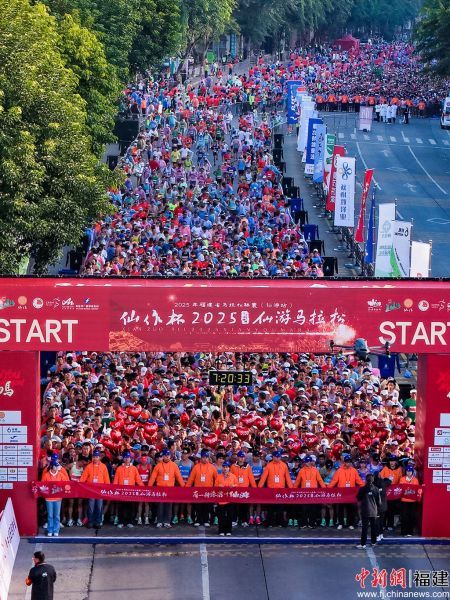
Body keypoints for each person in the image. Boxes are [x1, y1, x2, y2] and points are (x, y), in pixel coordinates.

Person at [148, 448, 184, 528]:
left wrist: (184, 487)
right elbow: (153, 478)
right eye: (165, 455)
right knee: (160, 506)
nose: (167, 457)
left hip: (170, 490)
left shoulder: (174, 466)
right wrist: (149, 488)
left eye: (168, 455)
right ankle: (160, 521)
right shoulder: (158, 466)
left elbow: (179, 477)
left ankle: (167, 521)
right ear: (163, 456)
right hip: (160, 489)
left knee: (169, 506)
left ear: (170, 456)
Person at [328, 456, 364, 530]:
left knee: (351, 509)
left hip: (351, 494)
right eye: (347, 462)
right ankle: (341, 523)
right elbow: (334, 481)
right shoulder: (339, 470)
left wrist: (366, 486)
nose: (348, 463)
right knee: (340, 509)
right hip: (341, 494)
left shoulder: (354, 470)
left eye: (350, 462)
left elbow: (358, 481)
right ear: (344, 462)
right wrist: (327, 488)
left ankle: (350, 524)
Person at [258, 450, 293, 527]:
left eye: (278, 457)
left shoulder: (284, 465)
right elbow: (264, 477)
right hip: (271, 490)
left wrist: (291, 488)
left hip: (281, 490)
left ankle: (280, 522)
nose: (277, 458)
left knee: (280, 507)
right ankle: (270, 522)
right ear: (273, 457)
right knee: (270, 507)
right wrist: (259, 487)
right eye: (276, 457)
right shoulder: (269, 465)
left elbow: (287, 477)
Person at [80, 449, 110, 528]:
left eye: (97, 457)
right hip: (91, 490)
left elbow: (106, 479)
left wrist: (107, 489)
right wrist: (80, 484)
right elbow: (83, 478)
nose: (95, 458)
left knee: (99, 506)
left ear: (99, 457)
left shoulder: (103, 466)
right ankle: (90, 522)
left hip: (100, 490)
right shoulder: (88, 466)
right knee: (91, 506)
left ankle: (98, 522)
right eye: (94, 457)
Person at [186, 448, 217, 526]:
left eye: (206, 457)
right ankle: (198, 520)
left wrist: (217, 488)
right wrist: (186, 488)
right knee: (198, 507)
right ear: (201, 458)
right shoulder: (196, 467)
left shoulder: (212, 467)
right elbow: (191, 479)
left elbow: (217, 479)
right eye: (203, 457)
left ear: (208, 458)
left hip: (208, 491)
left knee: (207, 507)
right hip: (198, 491)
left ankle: (206, 520)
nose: (205, 459)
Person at [113, 450, 144, 528]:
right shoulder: (119, 468)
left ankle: (130, 521)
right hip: (121, 491)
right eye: (125, 457)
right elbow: (116, 480)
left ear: (130, 459)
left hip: (130, 491)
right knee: (121, 507)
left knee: (130, 507)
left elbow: (138, 480)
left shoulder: (134, 468)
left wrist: (143, 488)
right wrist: (114, 489)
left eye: (128, 457)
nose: (127, 459)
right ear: (123, 458)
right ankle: (121, 522)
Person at [40, 454, 69, 537]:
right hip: (48, 499)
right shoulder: (46, 475)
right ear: (52, 467)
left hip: (58, 498)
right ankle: (50, 530)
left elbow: (66, 483)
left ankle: (56, 530)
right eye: (56, 466)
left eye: (57, 466)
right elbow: (42, 486)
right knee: (50, 515)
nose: (57, 467)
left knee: (56, 515)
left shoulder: (60, 474)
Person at [356, 473, 381, 548]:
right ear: (373, 480)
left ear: (366, 480)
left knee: (365, 528)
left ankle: (363, 544)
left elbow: (358, 498)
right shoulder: (376, 489)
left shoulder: (362, 489)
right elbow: (379, 502)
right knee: (373, 527)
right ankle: (373, 542)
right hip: (374, 511)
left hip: (365, 511)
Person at [216, 461, 238, 536]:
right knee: (221, 516)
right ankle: (221, 530)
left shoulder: (233, 476)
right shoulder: (218, 476)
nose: (225, 469)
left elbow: (237, 485)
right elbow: (215, 486)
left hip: (230, 499)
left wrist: (234, 486)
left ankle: (229, 530)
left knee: (229, 516)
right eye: (224, 467)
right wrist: (219, 486)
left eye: (227, 467)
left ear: (229, 468)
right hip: (221, 500)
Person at [399, 465, 419, 537]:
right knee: (404, 516)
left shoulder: (415, 480)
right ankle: (404, 532)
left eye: (410, 471)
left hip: (412, 501)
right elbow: (401, 488)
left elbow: (417, 489)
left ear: (412, 472)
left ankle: (410, 532)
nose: (409, 472)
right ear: (405, 472)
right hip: (404, 501)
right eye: (407, 471)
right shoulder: (402, 479)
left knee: (411, 516)